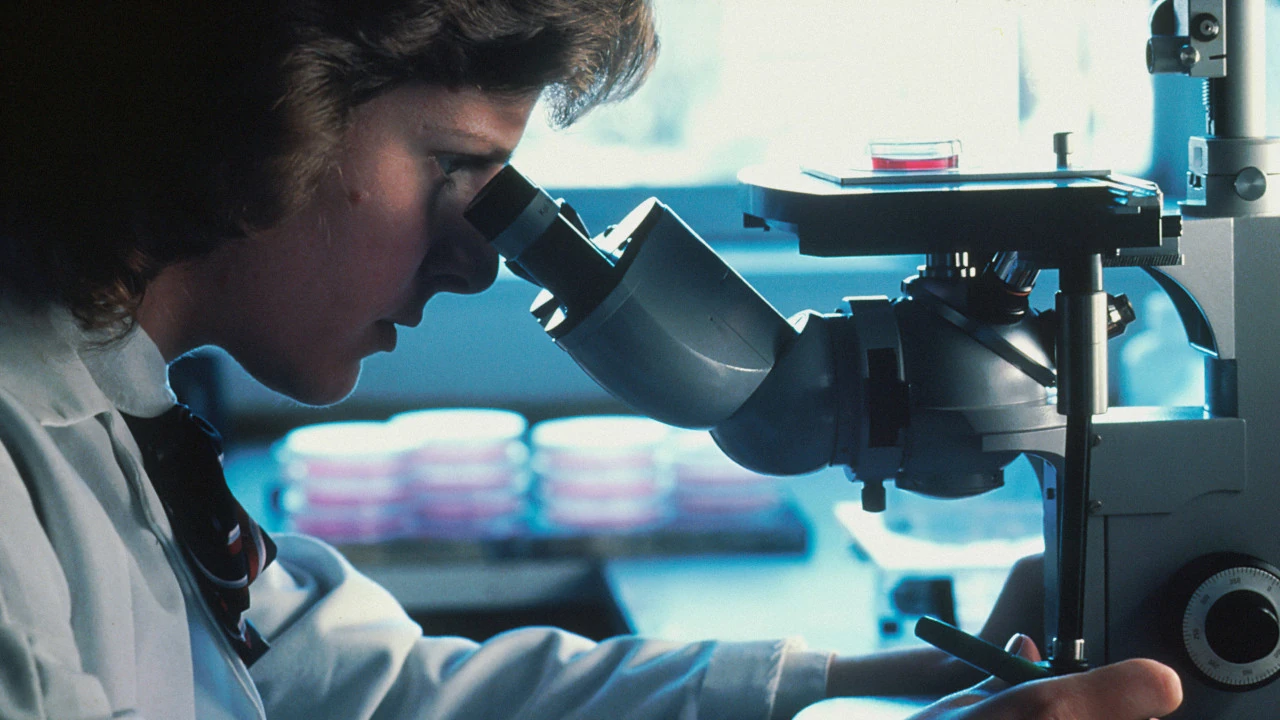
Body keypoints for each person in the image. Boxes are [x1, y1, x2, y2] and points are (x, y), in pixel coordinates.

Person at [0, 2, 1182, 719]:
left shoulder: (117, 405)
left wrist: (862, 689)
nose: (474, 263)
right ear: (270, 104)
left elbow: (371, 699)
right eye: (452, 173)